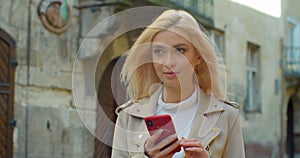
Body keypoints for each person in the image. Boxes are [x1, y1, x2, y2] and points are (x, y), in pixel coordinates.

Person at [111, 9, 245, 158]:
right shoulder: (128, 117)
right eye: (159, 51)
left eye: (180, 50)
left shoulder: (227, 117)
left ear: (198, 57)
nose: (169, 62)